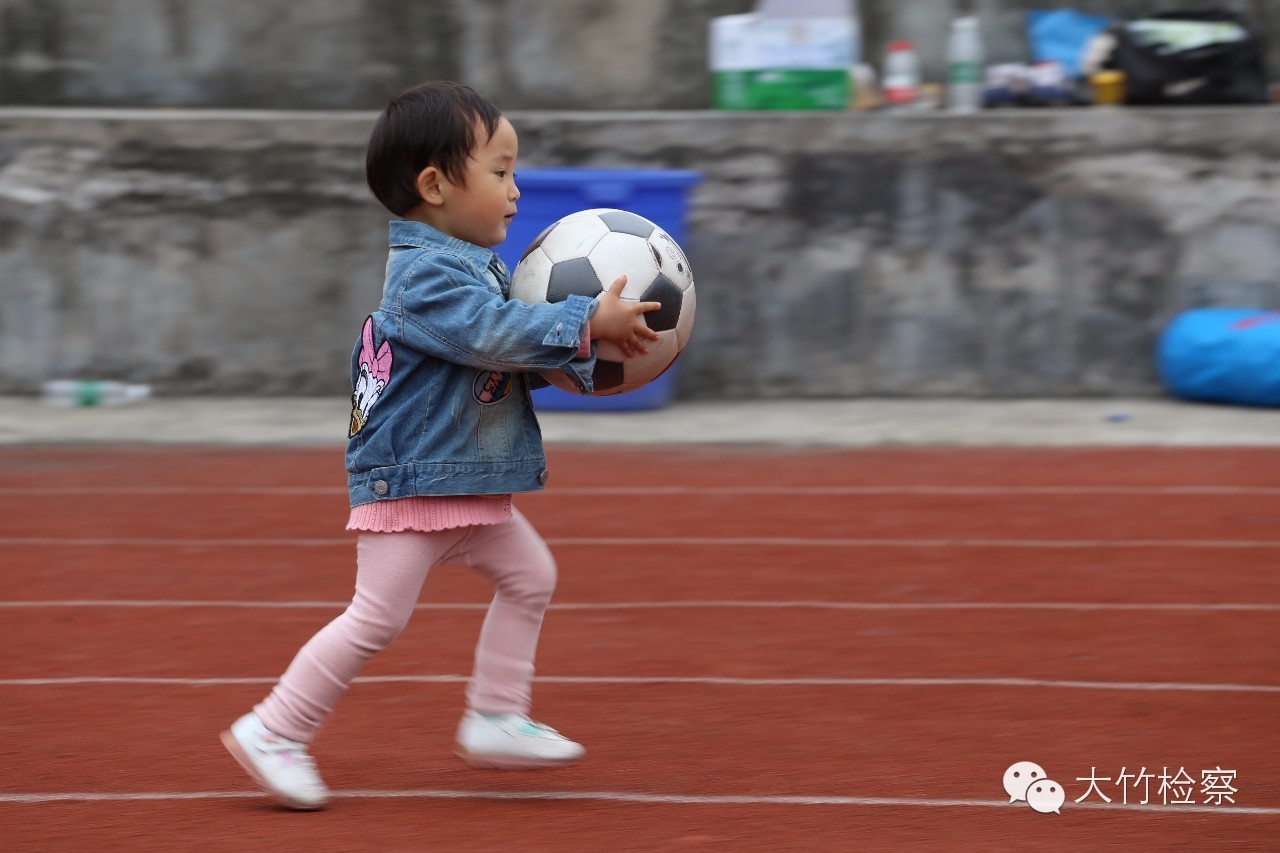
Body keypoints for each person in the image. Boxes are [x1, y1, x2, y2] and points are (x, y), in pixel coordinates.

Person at [220, 81, 660, 811]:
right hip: (415, 482)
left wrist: (584, 354)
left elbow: (501, 359)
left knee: (532, 577)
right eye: (500, 171)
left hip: (463, 479)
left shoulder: (473, 268)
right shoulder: (424, 278)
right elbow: (494, 334)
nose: (516, 191)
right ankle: (274, 729)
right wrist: (584, 322)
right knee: (376, 618)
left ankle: (496, 715)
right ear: (434, 186)